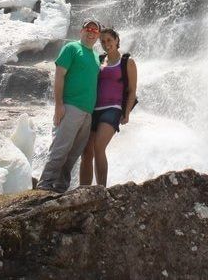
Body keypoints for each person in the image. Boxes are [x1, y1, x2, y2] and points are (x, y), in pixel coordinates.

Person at [37, 19, 102, 192]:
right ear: (81, 31)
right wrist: (59, 105)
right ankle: (44, 185)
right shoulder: (72, 48)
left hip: (88, 112)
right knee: (60, 148)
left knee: (74, 153)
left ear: (98, 35)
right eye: (88, 28)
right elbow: (59, 75)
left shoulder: (96, 57)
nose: (91, 32)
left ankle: (60, 187)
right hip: (71, 106)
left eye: (95, 30)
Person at [79, 28, 137, 187]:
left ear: (117, 40)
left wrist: (126, 113)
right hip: (94, 109)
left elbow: (132, 90)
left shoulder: (127, 62)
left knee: (99, 146)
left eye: (109, 40)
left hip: (113, 109)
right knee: (86, 152)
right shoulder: (99, 60)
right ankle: (84, 191)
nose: (106, 44)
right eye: (103, 41)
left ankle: (101, 191)